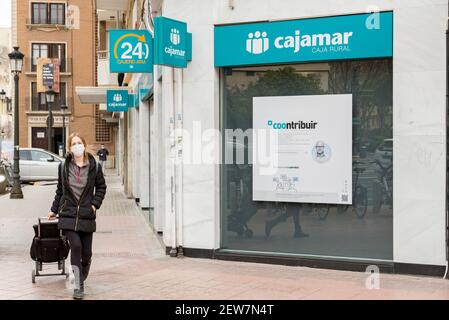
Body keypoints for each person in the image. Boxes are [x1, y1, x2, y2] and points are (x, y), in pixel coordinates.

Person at [48, 133, 107, 299]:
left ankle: (85, 266)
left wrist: (95, 205)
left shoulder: (94, 166)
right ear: (69, 148)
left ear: (84, 144)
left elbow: (101, 187)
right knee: (76, 246)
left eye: (79, 142)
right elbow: (60, 191)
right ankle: (78, 285)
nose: (77, 146)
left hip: (87, 215)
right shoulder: (63, 167)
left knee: (86, 252)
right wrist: (54, 209)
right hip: (68, 213)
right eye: (73, 143)